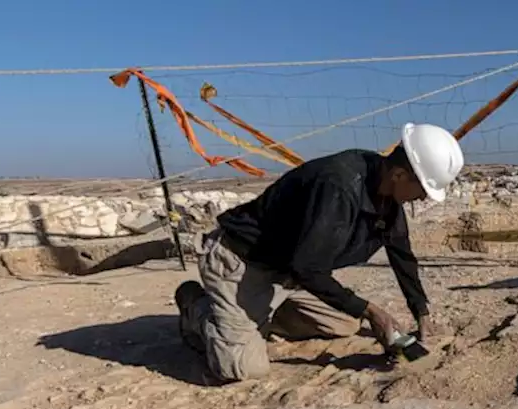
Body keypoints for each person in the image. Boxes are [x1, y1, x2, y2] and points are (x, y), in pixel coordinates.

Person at [174, 122, 463, 383]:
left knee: (345, 323)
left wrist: (420, 312)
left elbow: (401, 253)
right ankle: (196, 307)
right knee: (244, 369)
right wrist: (372, 310)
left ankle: (260, 315)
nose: (424, 197)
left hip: (287, 273)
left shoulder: (385, 193)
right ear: (400, 174)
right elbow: (308, 268)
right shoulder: (337, 186)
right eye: (424, 188)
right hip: (242, 263)